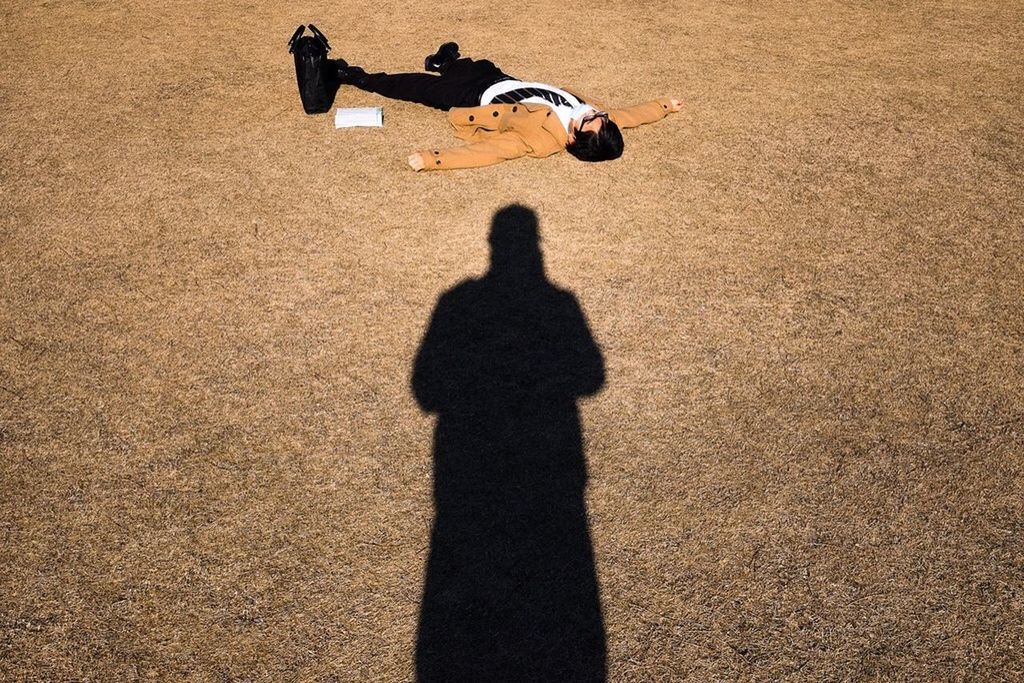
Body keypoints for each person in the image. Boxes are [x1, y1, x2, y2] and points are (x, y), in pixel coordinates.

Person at [313, 37, 683, 171]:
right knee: (479, 64)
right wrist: (664, 105)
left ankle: (354, 76)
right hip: (501, 79)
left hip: (474, 98)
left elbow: (488, 153)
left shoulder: (540, 141)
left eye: (594, 120)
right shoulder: (594, 119)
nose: (596, 112)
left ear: (574, 139)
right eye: (601, 115)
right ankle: (444, 62)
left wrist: (433, 160)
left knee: (412, 87)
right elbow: (632, 116)